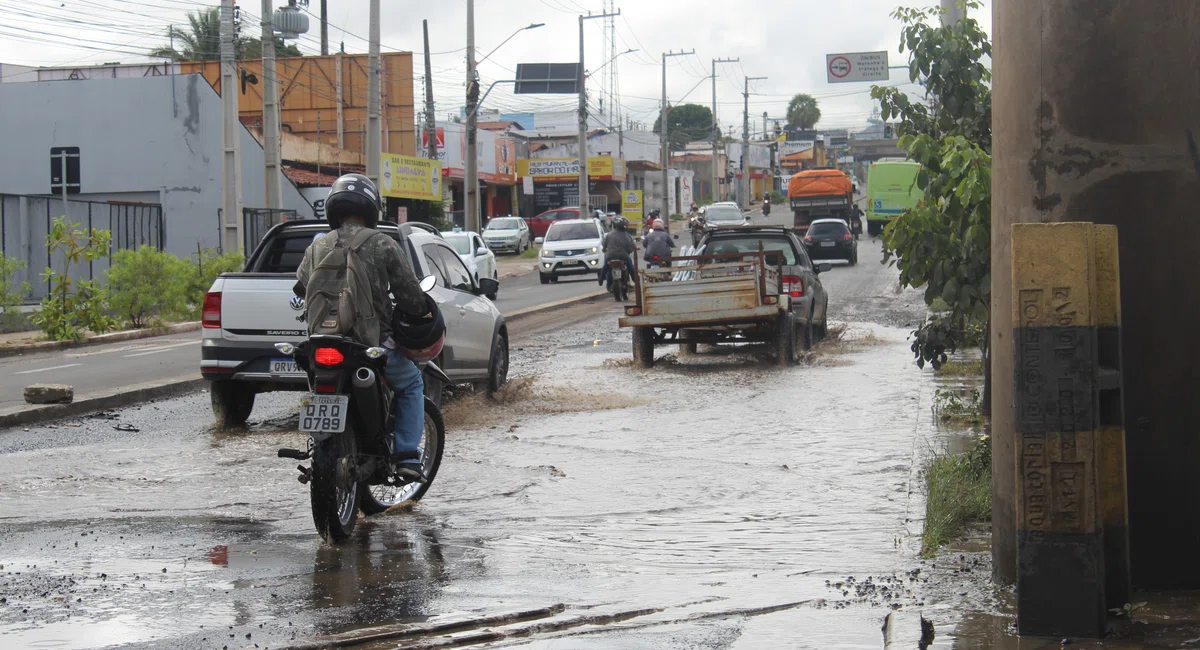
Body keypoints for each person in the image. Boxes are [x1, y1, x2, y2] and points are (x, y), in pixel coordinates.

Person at [296, 173, 430, 482]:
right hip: (370, 343)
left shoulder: (318, 246)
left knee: (316, 389)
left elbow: (301, 287)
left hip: (321, 342)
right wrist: (420, 310)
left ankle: (318, 448)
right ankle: (408, 455)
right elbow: (409, 293)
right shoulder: (381, 242)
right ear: (371, 209)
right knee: (411, 385)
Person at [598, 216, 637, 289]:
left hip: (610, 256)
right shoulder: (627, 235)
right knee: (631, 267)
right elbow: (630, 247)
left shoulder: (609, 235)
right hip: (624, 256)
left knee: (605, 267)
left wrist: (605, 250)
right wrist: (630, 250)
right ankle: (635, 280)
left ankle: (601, 280)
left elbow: (604, 245)